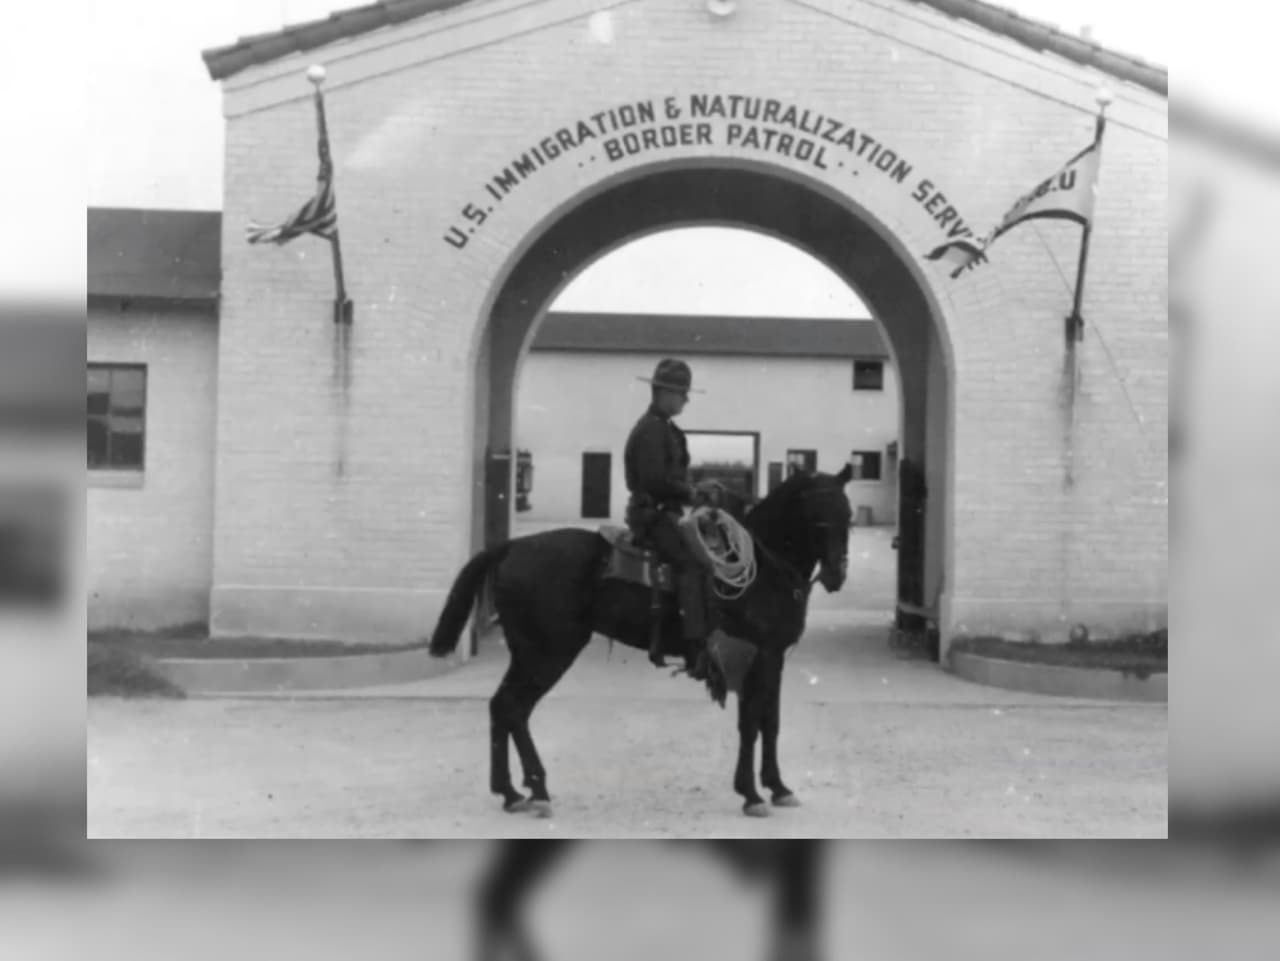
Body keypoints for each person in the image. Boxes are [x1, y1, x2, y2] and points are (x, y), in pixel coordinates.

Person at [623, 358, 722, 671]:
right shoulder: (651, 430)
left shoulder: (662, 428)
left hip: (666, 511)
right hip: (652, 516)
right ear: (664, 392)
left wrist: (694, 486)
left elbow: (670, 477)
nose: (685, 399)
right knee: (693, 564)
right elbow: (655, 481)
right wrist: (690, 492)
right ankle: (694, 649)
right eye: (681, 393)